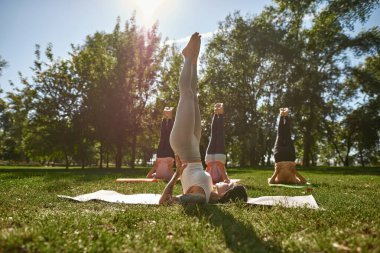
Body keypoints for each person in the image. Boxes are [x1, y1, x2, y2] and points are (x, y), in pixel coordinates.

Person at [159, 33, 247, 205]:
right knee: (194, 95)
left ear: (226, 194)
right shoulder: (211, 193)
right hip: (193, 147)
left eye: (229, 185)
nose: (228, 182)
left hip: (183, 146)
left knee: (187, 94)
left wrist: (177, 175)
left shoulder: (199, 197)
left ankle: (187, 57)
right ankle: (193, 60)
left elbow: (164, 201)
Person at [269, 108, 307, 184]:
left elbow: (270, 182)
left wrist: (276, 172)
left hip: (279, 157)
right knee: (287, 135)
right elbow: (304, 182)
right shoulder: (293, 180)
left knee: (279, 135)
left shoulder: (278, 181)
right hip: (290, 157)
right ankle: (285, 115)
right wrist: (295, 172)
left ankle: (281, 115)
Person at [146, 107, 175, 181]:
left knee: (163, 136)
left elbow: (148, 177)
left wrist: (154, 168)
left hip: (160, 156)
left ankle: (165, 116)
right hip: (169, 156)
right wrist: (170, 167)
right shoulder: (168, 177)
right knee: (169, 135)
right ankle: (170, 116)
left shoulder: (156, 176)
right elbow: (172, 176)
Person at [205, 103, 230, 184]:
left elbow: (207, 169)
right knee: (218, 134)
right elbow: (221, 167)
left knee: (215, 134)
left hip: (210, 159)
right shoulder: (220, 178)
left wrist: (211, 165)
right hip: (216, 158)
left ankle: (216, 113)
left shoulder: (208, 180)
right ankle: (219, 113)